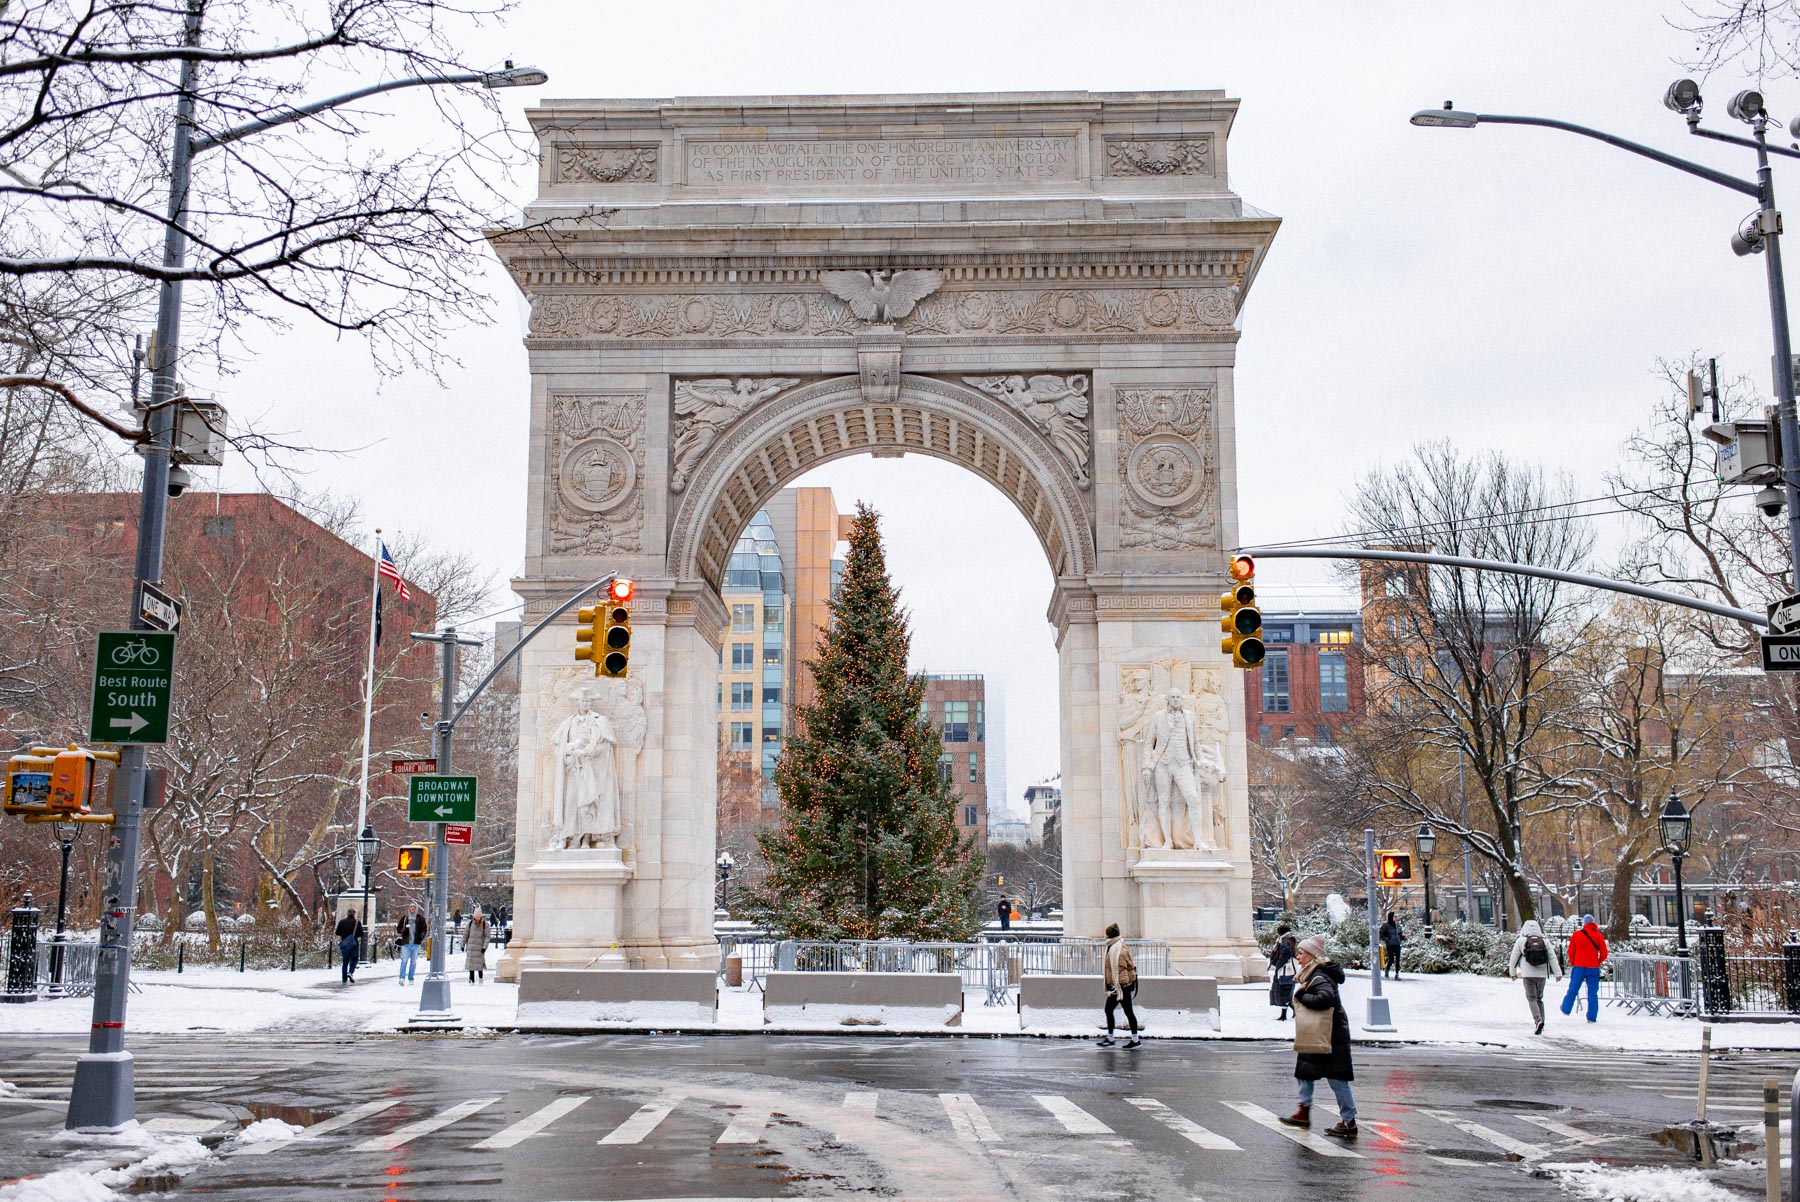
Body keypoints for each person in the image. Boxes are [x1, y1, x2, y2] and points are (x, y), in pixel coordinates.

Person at [1280, 934, 1357, 1140]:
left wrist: (1301, 996)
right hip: (1321, 1032)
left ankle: (1349, 1122)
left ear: (1313, 956)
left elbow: (1326, 998)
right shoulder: (1314, 974)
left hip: (1330, 1035)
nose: (1298, 957)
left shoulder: (1319, 976)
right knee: (1305, 1072)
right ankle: (1303, 1112)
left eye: (1301, 954)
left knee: (1337, 1079)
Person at [1508, 917, 1564, 1034]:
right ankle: (1542, 1023)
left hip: (1528, 974)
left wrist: (1513, 973)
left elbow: (1513, 959)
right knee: (1539, 999)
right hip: (1542, 974)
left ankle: (1538, 1021)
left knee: (1531, 998)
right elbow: (1552, 957)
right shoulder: (1545, 941)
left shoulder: (1521, 941)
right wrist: (1558, 973)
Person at [1097, 922, 1141, 1048]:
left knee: (1127, 1012)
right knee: (1112, 1010)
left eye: (1106, 934)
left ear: (1110, 936)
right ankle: (1114, 1038)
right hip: (1117, 987)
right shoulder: (1112, 947)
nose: (1105, 937)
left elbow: (1123, 968)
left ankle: (1134, 1040)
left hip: (1121, 987)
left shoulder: (1120, 950)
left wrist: (1119, 985)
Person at [1560, 913, 1609, 1023]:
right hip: (1593, 967)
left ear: (1584, 923)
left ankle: (1566, 1008)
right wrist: (1598, 961)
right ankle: (1592, 1017)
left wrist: (1573, 962)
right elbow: (1604, 953)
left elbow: (1571, 951)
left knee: (1573, 988)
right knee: (1592, 992)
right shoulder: (1599, 936)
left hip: (1579, 966)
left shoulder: (1577, 935)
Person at [1268, 923, 1298, 1021]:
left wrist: (1278, 965)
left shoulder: (1284, 942)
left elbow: (1284, 955)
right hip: (1286, 972)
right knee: (1285, 992)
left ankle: (1287, 1014)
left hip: (1284, 972)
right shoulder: (1287, 940)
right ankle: (1289, 1013)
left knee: (1284, 992)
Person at [395, 904, 427, 985]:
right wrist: (403, 930)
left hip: (415, 943)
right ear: (409, 909)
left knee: (413, 962)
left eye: (414, 907)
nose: (412, 909)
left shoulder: (420, 919)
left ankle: (411, 977)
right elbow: (398, 928)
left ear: (416, 909)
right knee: (404, 961)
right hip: (406, 943)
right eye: (411, 907)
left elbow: (424, 929)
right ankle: (402, 977)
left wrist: (421, 937)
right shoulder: (405, 918)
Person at [334, 908, 363, 984]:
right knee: (354, 959)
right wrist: (354, 936)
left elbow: (337, 932)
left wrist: (344, 936)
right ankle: (350, 972)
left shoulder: (342, 922)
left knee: (345, 961)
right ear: (354, 914)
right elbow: (361, 934)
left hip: (344, 944)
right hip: (354, 944)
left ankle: (344, 979)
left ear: (347, 913)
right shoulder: (357, 922)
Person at [465, 906, 489, 983]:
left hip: (480, 947)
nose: (477, 918)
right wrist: (462, 945)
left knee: (479, 964)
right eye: (476, 917)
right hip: (471, 947)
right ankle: (471, 980)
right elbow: (465, 935)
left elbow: (487, 937)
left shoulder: (485, 924)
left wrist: (484, 947)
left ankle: (481, 979)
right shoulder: (470, 924)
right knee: (471, 964)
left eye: (479, 917)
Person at [1378, 911, 1403, 980]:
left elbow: (1400, 934)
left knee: (1398, 959)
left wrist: (1403, 937)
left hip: (1397, 944)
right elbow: (1381, 935)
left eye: (1396, 917)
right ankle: (1387, 969)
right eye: (1394, 917)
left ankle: (1397, 974)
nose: (1396, 918)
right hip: (1390, 945)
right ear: (1391, 917)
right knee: (1391, 959)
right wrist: (1387, 939)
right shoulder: (1385, 926)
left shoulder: (1397, 925)